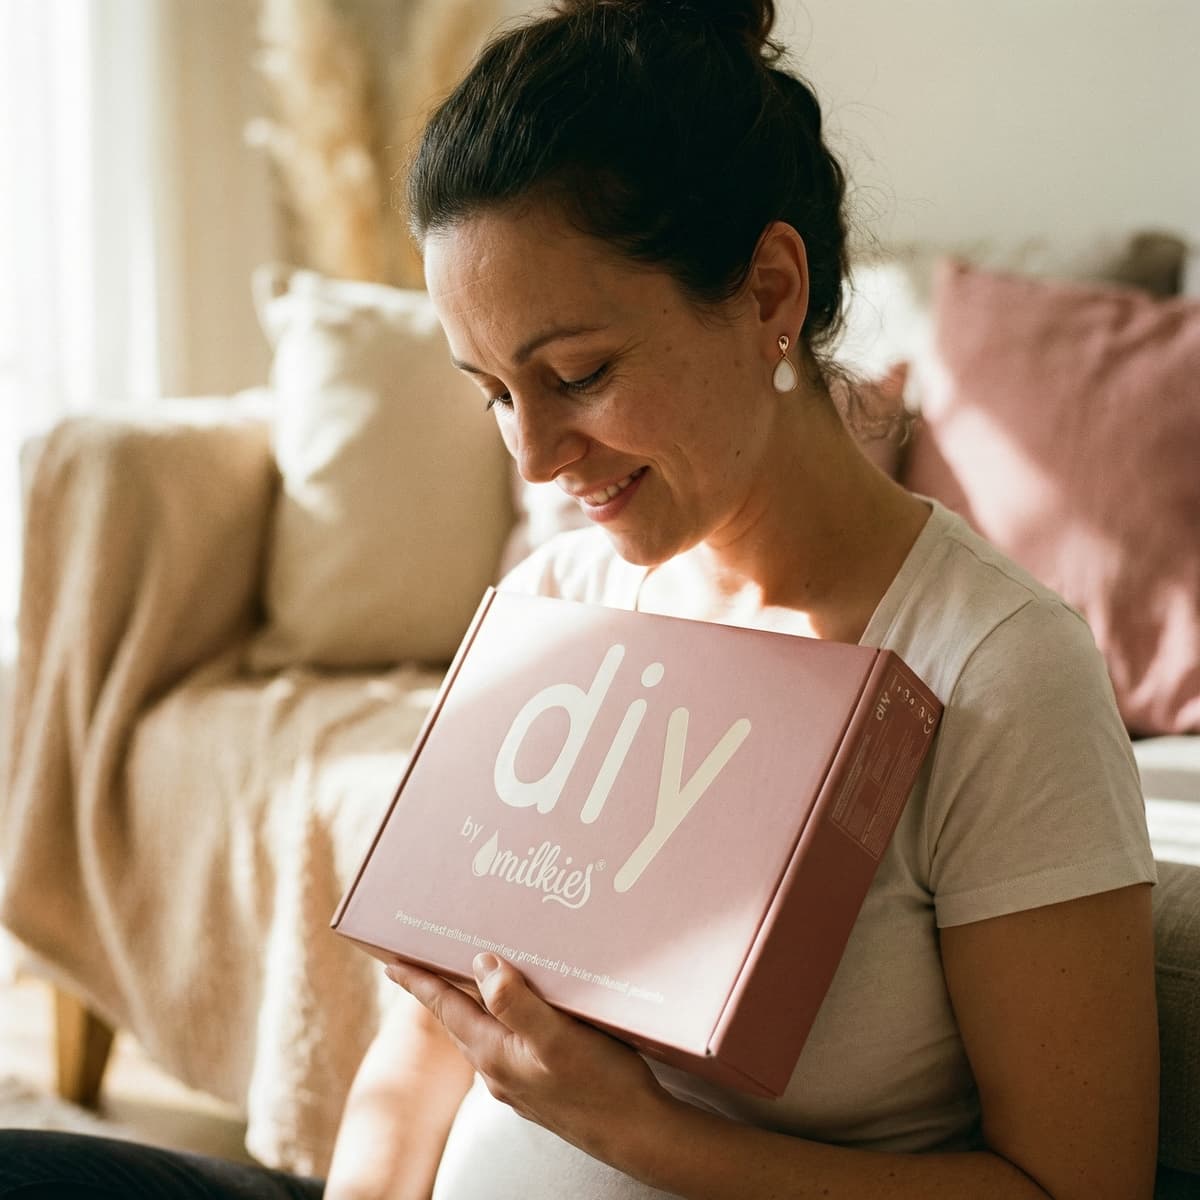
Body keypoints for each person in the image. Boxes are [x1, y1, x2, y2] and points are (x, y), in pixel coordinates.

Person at [0, 1, 1159, 1197]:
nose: (536, 458)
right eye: (495, 391)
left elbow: (1076, 1189)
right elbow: (415, 1070)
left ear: (769, 291)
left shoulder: (996, 671)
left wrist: (639, 1133)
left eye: (577, 375)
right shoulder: (559, 601)